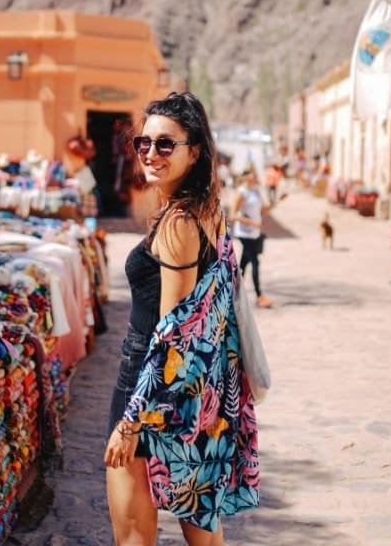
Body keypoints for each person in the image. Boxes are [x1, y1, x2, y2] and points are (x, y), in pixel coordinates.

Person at [105, 91, 258, 545]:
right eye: (143, 143)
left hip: (149, 388)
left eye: (165, 144)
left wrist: (132, 420)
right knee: (205, 536)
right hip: (200, 397)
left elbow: (173, 335)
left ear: (195, 152)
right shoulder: (209, 212)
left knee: (134, 534)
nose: (151, 153)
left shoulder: (177, 224)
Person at [232, 167, 273, 308]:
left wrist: (279, 199)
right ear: (246, 177)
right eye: (252, 175)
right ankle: (259, 296)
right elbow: (232, 215)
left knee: (243, 264)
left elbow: (264, 211)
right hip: (244, 234)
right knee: (255, 262)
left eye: (255, 175)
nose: (254, 178)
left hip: (255, 234)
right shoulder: (242, 192)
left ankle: (232, 293)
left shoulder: (256, 191)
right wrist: (252, 223)